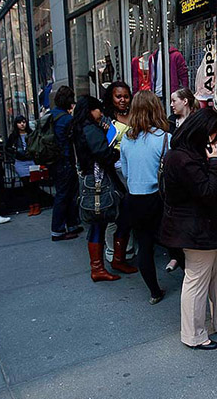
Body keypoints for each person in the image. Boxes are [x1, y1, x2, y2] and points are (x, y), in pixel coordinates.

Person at [159, 108, 217, 350]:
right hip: (196, 230)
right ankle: (193, 335)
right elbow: (206, 191)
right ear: (202, 133)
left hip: (206, 225)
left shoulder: (186, 154)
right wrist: (216, 162)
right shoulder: (182, 158)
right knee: (196, 280)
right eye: (214, 137)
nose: (216, 143)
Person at [117, 91, 167, 304]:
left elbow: (126, 173)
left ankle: (154, 291)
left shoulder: (127, 141)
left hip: (134, 199)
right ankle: (193, 285)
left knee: (144, 246)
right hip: (157, 198)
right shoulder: (164, 138)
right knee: (174, 243)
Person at [71, 96, 123, 282]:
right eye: (98, 109)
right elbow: (103, 154)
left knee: (97, 223)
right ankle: (100, 268)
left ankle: (102, 265)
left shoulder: (81, 128)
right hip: (98, 181)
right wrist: (116, 151)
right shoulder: (91, 129)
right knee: (99, 223)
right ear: (89, 110)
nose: (101, 113)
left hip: (89, 180)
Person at [101, 81, 138, 274]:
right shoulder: (105, 119)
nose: (123, 100)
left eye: (126, 96)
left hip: (134, 169)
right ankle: (112, 251)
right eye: (118, 96)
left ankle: (128, 250)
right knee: (114, 211)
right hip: (113, 172)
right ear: (111, 98)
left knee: (130, 210)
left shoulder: (136, 115)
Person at [165, 87, 199, 272]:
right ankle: (175, 255)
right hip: (175, 174)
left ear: (185, 101)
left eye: (174, 100)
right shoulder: (171, 122)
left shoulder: (196, 119)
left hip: (191, 171)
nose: (171, 105)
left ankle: (188, 256)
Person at [50, 86, 83, 241]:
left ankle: (71, 225)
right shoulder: (66, 119)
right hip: (65, 160)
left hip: (55, 161)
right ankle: (58, 230)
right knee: (66, 195)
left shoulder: (52, 115)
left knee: (64, 193)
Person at [5, 115, 42, 216]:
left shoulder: (31, 134)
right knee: (26, 185)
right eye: (19, 122)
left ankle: (37, 205)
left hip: (32, 161)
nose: (22, 124)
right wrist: (13, 158)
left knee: (34, 184)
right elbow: (7, 148)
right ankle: (31, 206)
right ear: (16, 124)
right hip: (20, 162)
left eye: (24, 122)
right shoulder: (13, 136)